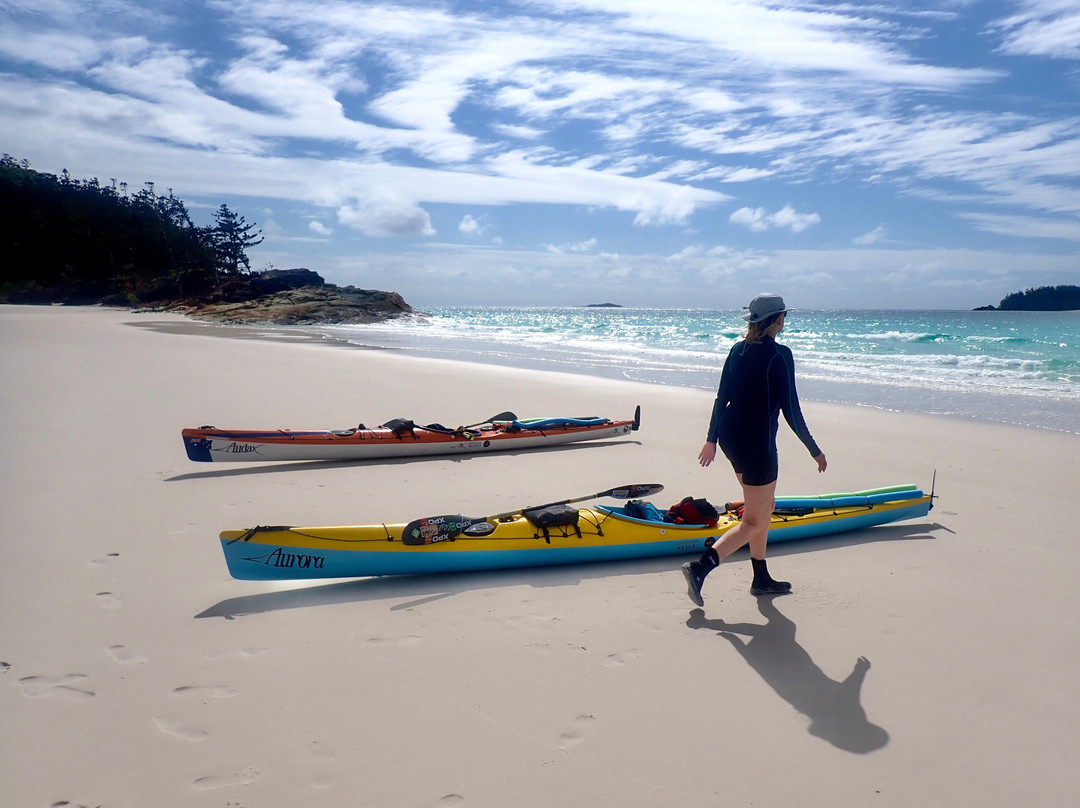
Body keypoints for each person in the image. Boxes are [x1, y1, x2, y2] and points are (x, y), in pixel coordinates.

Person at [682, 293, 827, 605]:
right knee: (755, 520)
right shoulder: (780, 355)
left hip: (732, 438)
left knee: (764, 507)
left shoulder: (737, 350)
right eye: (783, 316)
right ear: (776, 320)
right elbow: (791, 408)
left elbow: (722, 397)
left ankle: (760, 577)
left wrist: (711, 438)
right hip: (758, 445)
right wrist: (813, 449)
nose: (784, 321)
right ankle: (700, 567)